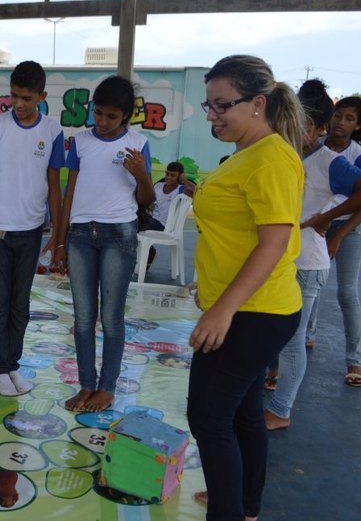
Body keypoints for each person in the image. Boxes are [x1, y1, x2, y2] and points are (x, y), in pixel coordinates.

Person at [187, 55, 306, 521]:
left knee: (209, 418)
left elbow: (274, 242)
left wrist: (223, 309)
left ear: (258, 104)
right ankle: (243, 504)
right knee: (242, 415)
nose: (214, 115)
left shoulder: (271, 158)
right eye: (209, 105)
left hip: (253, 313)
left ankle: (229, 510)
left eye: (223, 105)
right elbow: (237, 235)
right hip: (248, 307)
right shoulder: (249, 152)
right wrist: (210, 286)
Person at [52, 75, 155, 413]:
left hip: (119, 235)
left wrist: (141, 174)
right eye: (98, 113)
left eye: (112, 116)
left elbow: (146, 200)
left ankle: (107, 388)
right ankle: (86, 384)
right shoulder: (80, 142)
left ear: (125, 116)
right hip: (80, 236)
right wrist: (61, 239)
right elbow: (69, 194)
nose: (103, 122)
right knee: (83, 317)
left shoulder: (138, 144)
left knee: (111, 317)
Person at [0, 60, 65, 396]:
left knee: (20, 304)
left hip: (31, 230)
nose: (18, 104)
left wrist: (57, 235)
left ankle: (13, 366)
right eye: (13, 97)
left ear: (42, 96)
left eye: (26, 98)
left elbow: (54, 186)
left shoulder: (52, 131)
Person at [264, 80, 361, 430]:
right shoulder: (282, 154)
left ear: (320, 128)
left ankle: (281, 409)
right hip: (279, 259)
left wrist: (326, 218)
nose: (298, 128)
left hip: (306, 263)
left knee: (293, 341)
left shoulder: (329, 162)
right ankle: (273, 384)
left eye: (307, 124)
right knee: (271, 332)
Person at [304, 96, 361, 379]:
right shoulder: (314, 148)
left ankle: (354, 360)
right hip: (316, 226)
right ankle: (306, 336)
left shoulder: (356, 155)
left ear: (357, 125)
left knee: (347, 293)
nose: (341, 122)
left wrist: (337, 233)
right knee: (310, 286)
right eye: (338, 116)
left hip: (348, 228)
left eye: (349, 119)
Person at [149, 161, 195, 232]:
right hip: (152, 220)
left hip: (164, 225)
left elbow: (197, 192)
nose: (168, 177)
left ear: (180, 176)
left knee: (134, 223)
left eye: (173, 175)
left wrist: (184, 180)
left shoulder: (181, 190)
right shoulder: (158, 186)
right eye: (167, 174)